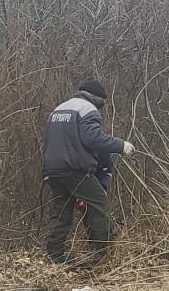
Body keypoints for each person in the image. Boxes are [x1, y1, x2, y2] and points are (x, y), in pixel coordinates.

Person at [41, 79, 134, 263]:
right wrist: (120, 145)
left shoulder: (59, 109)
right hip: (75, 169)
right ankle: (102, 253)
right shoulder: (87, 110)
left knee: (61, 211)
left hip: (52, 170)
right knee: (100, 205)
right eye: (102, 101)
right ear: (95, 97)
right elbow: (93, 138)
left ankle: (56, 253)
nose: (102, 105)